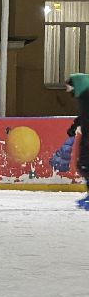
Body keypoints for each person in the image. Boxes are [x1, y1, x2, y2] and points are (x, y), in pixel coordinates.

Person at [66, 73, 89, 208]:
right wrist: (74, 127)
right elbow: (83, 116)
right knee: (83, 165)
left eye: (70, 87)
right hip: (86, 136)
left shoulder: (86, 97)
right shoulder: (84, 97)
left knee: (85, 165)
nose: (68, 91)